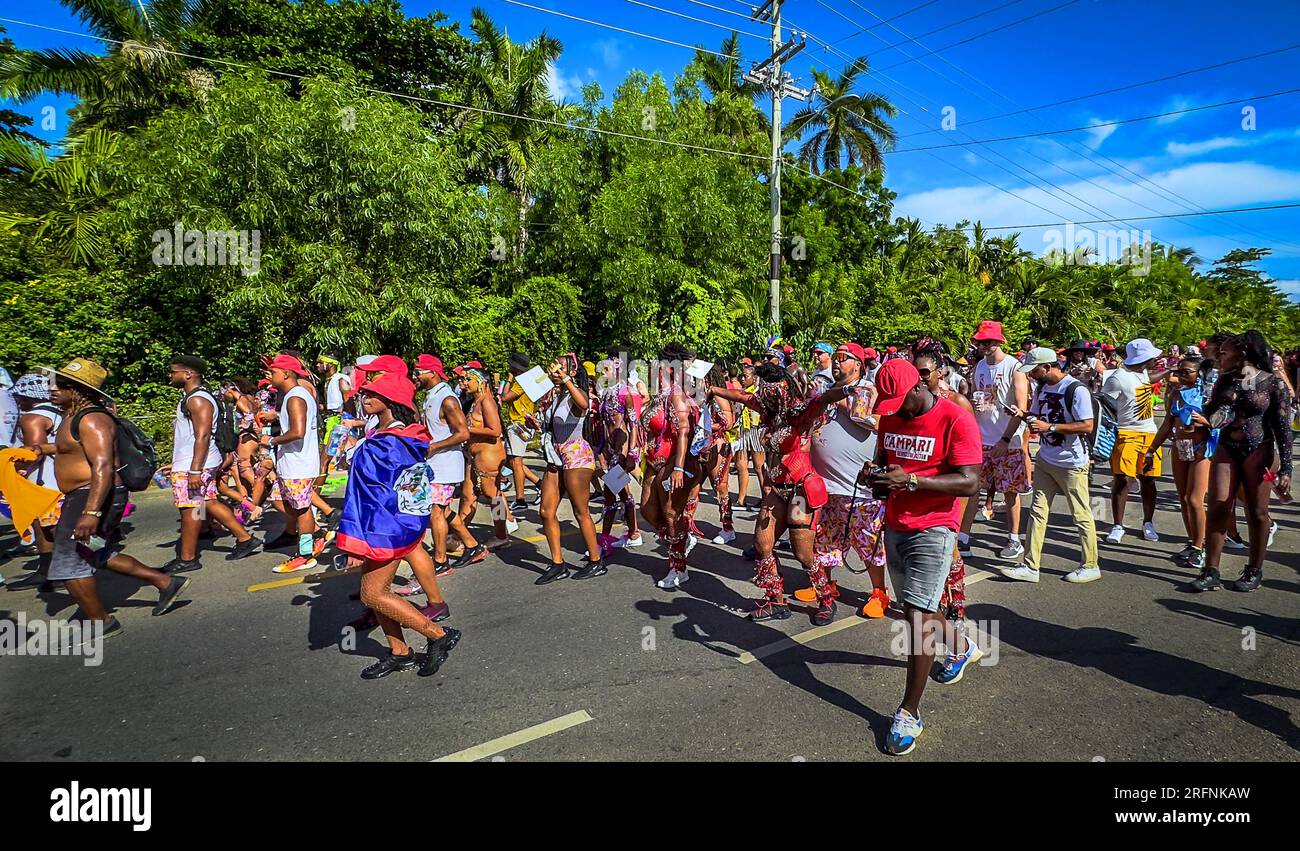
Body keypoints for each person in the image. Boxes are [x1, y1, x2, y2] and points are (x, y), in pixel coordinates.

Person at [867, 358, 983, 756]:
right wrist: (876, 475)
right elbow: (885, 464)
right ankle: (962, 647)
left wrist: (913, 480)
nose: (894, 411)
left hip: (936, 526)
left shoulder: (956, 417)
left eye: (899, 401)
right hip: (896, 523)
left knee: (917, 618)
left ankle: (908, 712)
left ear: (921, 384)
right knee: (916, 608)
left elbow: (970, 481)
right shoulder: (891, 418)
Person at [31, 359, 190, 634]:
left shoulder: (92, 419)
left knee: (69, 562)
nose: (52, 389)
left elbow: (103, 465)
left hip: (91, 495)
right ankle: (165, 582)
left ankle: (101, 622)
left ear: (78, 390)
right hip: (84, 494)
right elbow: (71, 449)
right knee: (97, 553)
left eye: (61, 385)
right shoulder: (72, 416)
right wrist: (40, 450)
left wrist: (91, 512)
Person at [334, 371, 460, 679]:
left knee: (372, 595)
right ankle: (400, 652)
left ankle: (438, 634)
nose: (364, 397)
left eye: (372, 394)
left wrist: (352, 449)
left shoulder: (389, 442)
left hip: (385, 526)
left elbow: (371, 490)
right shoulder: (398, 435)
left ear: (389, 401)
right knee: (377, 591)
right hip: (391, 522)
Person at [708, 363, 832, 623]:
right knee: (763, 544)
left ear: (784, 391)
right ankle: (776, 601)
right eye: (764, 393)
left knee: (802, 554)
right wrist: (714, 389)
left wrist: (849, 389)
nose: (766, 398)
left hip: (799, 491)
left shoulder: (801, 414)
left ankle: (826, 599)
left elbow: (824, 400)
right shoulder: (769, 412)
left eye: (771, 393)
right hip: (777, 489)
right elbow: (744, 397)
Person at [1189, 331, 1292, 592]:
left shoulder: (1272, 383)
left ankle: (1254, 569)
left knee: (1257, 513)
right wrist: (1204, 420)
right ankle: (1210, 569)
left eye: (1223, 353)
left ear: (1242, 353)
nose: (1218, 357)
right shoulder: (1225, 379)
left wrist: (1287, 469)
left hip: (1259, 450)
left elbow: (1283, 429)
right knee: (1218, 506)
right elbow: (1212, 409)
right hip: (1227, 447)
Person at [798, 342, 890, 620]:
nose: (836, 363)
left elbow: (876, 422)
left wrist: (841, 400)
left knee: (868, 542)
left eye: (843, 358)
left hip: (859, 488)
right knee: (824, 540)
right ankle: (824, 584)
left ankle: (879, 592)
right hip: (826, 486)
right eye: (835, 358)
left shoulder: (869, 389)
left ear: (858, 365)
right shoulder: (826, 390)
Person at [1000, 348, 1100, 584]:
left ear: (1048, 367)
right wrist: (1023, 415)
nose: (1032, 375)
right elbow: (1036, 416)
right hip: (1046, 458)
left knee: (1081, 513)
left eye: (1034, 370)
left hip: (1072, 462)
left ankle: (1090, 564)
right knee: (1037, 512)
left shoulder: (1076, 389)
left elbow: (1087, 425)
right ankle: (1030, 565)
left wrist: (1051, 428)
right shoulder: (1044, 387)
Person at [163, 357, 262, 573]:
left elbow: (203, 435)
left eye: (174, 371)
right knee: (206, 501)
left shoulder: (197, 400)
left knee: (190, 507)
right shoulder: (192, 398)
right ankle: (244, 538)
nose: (170, 375)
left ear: (188, 374)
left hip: (197, 462)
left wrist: (195, 469)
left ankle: (188, 558)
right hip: (194, 461)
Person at [962, 320, 1030, 561]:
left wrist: (1005, 438)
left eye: (988, 342)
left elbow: (1022, 409)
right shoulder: (979, 366)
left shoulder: (1015, 367)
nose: (983, 346)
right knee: (973, 489)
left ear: (999, 341)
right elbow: (974, 396)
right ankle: (964, 538)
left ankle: (1014, 539)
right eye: (980, 342)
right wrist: (974, 405)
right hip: (982, 438)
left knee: (1010, 491)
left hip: (1007, 440)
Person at [535, 354, 605, 584]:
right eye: (553, 367)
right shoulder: (555, 397)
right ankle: (558, 563)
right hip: (555, 456)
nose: (554, 371)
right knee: (546, 511)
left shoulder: (575, 394)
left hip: (576, 456)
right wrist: (536, 424)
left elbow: (584, 404)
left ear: (571, 372)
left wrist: (565, 379)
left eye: (560, 368)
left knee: (580, 510)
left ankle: (596, 561)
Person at [641, 344, 704, 589]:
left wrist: (677, 468)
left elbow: (683, 434)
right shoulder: (659, 395)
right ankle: (679, 539)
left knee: (670, 514)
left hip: (673, 462)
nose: (653, 369)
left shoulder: (677, 394)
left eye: (658, 365)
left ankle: (679, 568)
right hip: (653, 463)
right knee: (647, 510)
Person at [413, 354, 478, 576]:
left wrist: (434, 446)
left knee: (436, 512)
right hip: (435, 463)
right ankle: (472, 546)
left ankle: (440, 561)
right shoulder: (431, 396)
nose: (416, 377)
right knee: (444, 510)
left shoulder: (448, 399)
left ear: (432, 373)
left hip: (445, 464)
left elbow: (463, 433)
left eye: (418, 372)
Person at [1149, 354, 1215, 570]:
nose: (1181, 375)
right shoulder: (1175, 395)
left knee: (1196, 499)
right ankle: (1193, 541)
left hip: (1201, 450)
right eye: (1179, 371)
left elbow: (1223, 421)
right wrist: (1151, 450)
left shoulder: (1208, 395)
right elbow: (1167, 425)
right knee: (1184, 499)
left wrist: (1207, 422)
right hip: (1180, 448)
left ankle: (1201, 548)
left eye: (1187, 371)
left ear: (1199, 374)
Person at [1102, 338, 1163, 545]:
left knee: (1149, 480)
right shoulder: (1117, 378)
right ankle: (1118, 525)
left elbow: (1149, 380)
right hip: (1126, 434)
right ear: (1144, 358)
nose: (1157, 359)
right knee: (1122, 480)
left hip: (1149, 435)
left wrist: (1170, 372)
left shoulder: (1143, 372)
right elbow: (1105, 407)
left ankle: (1148, 522)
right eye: (1153, 357)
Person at [266, 354, 323, 573]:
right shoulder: (294, 394)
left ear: (286, 373)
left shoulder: (296, 397)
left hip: (298, 464)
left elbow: (297, 433)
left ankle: (305, 554)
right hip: (290, 463)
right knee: (279, 500)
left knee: (301, 509)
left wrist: (271, 440)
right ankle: (313, 534)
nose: (271, 376)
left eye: (273, 372)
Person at [11, 372, 62, 590]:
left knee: (46, 527)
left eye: (19, 396)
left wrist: (10, 467)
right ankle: (50, 570)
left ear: (28, 396)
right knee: (51, 527)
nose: (17, 400)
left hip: (43, 480)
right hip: (60, 476)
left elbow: (33, 453)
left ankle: (52, 572)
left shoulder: (32, 418)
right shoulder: (58, 412)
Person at [593, 355, 645, 551]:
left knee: (609, 492)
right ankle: (633, 533)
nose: (602, 373)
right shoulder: (606, 393)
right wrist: (602, 448)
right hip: (609, 448)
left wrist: (631, 451)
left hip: (621, 450)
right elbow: (605, 423)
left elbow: (633, 422)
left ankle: (604, 542)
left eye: (606, 369)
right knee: (623, 493)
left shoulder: (625, 392)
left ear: (617, 370)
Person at [457, 365, 510, 553]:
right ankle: (459, 533)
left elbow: (495, 431)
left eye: (467, 379)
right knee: (468, 496)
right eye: (462, 379)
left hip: (489, 456)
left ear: (481, 382)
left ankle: (502, 535)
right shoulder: (476, 401)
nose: (463, 383)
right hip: (475, 456)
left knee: (493, 496)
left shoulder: (487, 401)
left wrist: (466, 429)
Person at [499, 353, 542, 513]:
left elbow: (505, 397)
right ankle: (539, 484)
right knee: (510, 461)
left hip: (519, 424)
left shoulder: (521, 383)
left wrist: (509, 379)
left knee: (516, 463)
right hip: (519, 424)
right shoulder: (528, 381)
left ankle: (520, 499)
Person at [730, 358, 764, 513]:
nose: (742, 379)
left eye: (745, 376)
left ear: (754, 378)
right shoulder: (740, 392)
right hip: (742, 430)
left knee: (758, 467)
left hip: (755, 431)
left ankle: (765, 499)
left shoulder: (759, 393)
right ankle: (741, 499)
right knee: (741, 465)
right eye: (741, 376)